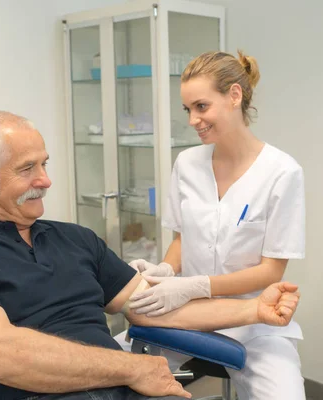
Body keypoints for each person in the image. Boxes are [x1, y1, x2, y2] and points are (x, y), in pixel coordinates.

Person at [0, 110, 301, 400]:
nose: (45, 180)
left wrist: (254, 312)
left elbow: (154, 307)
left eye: (45, 164)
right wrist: (132, 367)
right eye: (26, 169)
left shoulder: (75, 239)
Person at [120, 51, 307, 399]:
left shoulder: (282, 172)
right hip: (186, 315)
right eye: (188, 110)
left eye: (201, 107)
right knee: (112, 371)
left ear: (234, 96)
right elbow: (182, 240)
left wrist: (195, 285)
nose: (193, 119)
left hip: (255, 320)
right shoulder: (187, 163)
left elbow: (271, 272)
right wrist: (165, 269)